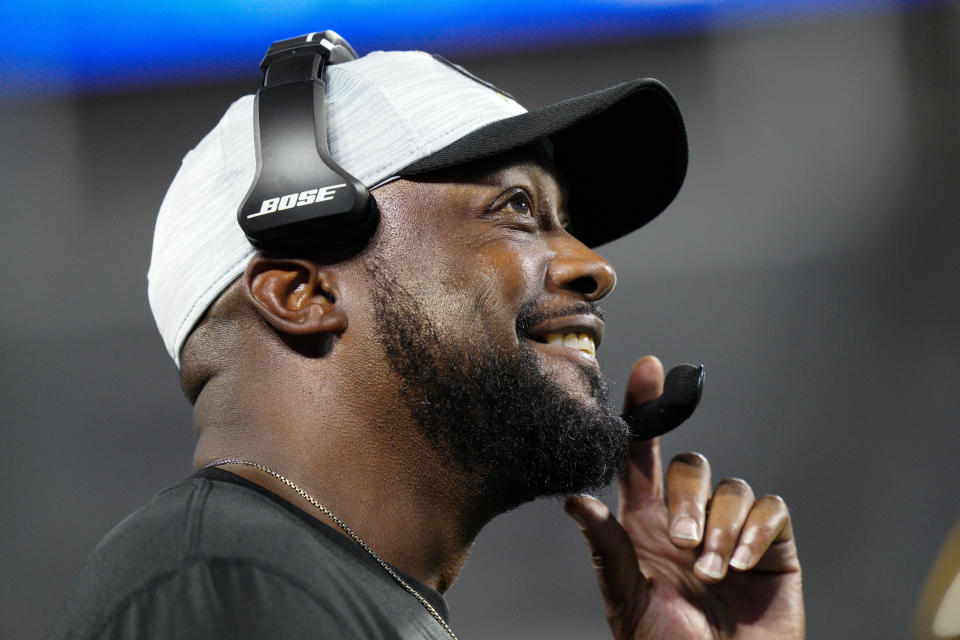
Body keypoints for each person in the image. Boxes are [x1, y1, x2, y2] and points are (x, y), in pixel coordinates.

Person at [49, 35, 804, 639]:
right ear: (302, 293)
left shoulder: (302, 583)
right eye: (515, 208)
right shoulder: (224, 586)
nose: (593, 267)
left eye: (565, 222)